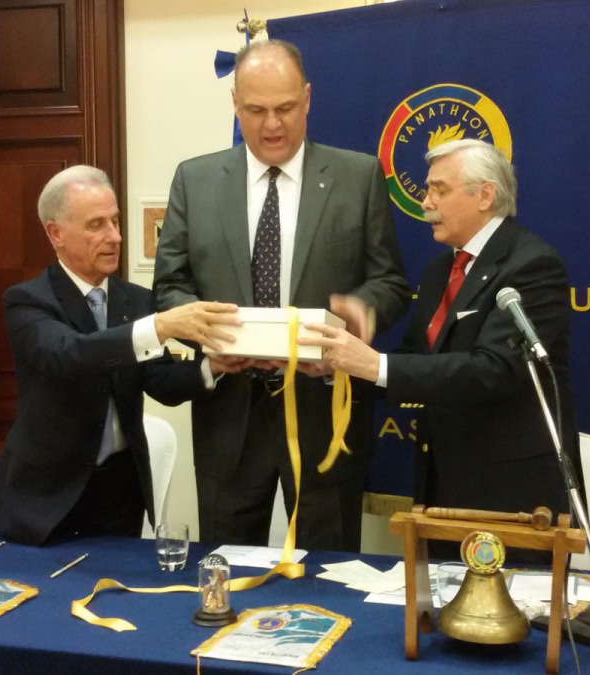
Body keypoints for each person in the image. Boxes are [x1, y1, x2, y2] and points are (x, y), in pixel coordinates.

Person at [153, 40, 410, 552]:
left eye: (286, 108)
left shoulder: (357, 177)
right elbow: (170, 287)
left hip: (323, 413)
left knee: (328, 570)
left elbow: (389, 282)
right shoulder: (195, 180)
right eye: (256, 110)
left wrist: (359, 317)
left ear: (308, 98)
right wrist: (208, 333)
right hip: (228, 414)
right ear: (235, 104)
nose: (273, 125)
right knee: (227, 566)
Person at [300, 139, 581, 560]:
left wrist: (372, 363)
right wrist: (337, 369)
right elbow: (416, 363)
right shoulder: (439, 271)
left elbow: (494, 370)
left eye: (439, 190)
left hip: (512, 497)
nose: (425, 202)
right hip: (442, 488)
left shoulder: (530, 264)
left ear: (485, 195)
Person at [0, 165, 245, 546]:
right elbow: (70, 354)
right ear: (56, 233)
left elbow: (160, 382)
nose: (115, 237)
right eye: (96, 225)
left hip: (120, 490)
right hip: (47, 494)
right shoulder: (27, 301)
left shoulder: (134, 300)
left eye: (116, 221)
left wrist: (212, 367)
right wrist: (160, 326)